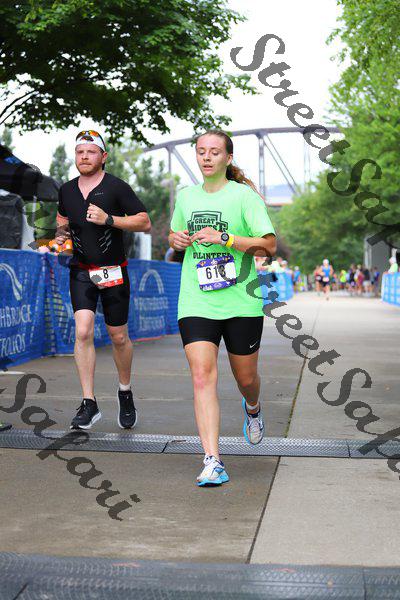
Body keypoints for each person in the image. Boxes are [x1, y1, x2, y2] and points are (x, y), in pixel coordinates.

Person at [169, 129, 276, 487]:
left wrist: (225, 238)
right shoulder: (186, 196)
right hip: (196, 299)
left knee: (246, 379)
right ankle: (212, 459)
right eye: (201, 151)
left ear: (228, 158)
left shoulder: (244, 196)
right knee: (202, 376)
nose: (207, 157)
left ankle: (253, 407)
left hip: (241, 301)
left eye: (215, 151)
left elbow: (268, 246)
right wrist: (177, 239)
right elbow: (174, 234)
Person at [55, 130, 151, 430]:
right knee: (83, 331)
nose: (84, 156)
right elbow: (62, 220)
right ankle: (89, 402)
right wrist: (61, 236)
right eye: (80, 151)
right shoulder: (66, 190)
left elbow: (144, 222)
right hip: (81, 270)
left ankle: (125, 391)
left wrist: (109, 219)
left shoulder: (116, 187)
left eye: (91, 151)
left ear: (103, 156)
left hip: (113, 270)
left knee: (118, 336)